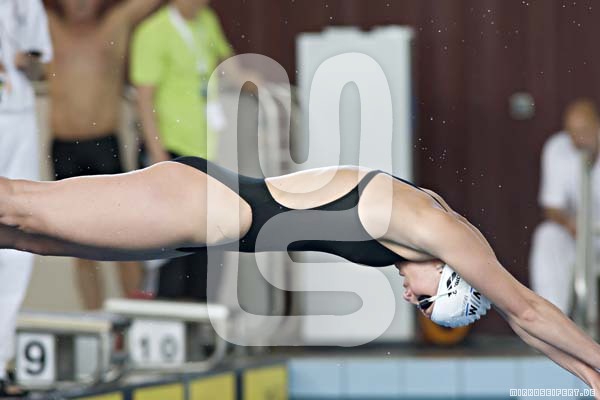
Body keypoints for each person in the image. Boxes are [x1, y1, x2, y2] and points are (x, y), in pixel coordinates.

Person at [1, 156, 600, 394]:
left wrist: (587, 376)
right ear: (449, 277)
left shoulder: (426, 235)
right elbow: (524, 309)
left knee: (31, 239)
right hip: (198, 204)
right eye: (425, 302)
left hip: (199, 223)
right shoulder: (431, 227)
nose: (408, 300)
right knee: (21, 207)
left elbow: (520, 322)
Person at [130, 0, 259, 301]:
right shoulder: (153, 32)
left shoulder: (206, 21)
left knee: (206, 241)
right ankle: (168, 311)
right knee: (172, 243)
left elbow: (228, 66)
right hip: (170, 152)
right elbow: (144, 100)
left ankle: (199, 311)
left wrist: (255, 83)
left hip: (203, 153)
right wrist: (157, 155)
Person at [45, 0, 165, 309]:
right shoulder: (49, 26)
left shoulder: (115, 25)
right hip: (64, 149)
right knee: (78, 246)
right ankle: (94, 320)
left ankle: (136, 316)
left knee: (121, 239)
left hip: (103, 147)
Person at [0, 0, 52, 395]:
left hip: (16, 114)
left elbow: (40, 64)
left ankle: (0, 363)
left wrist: (23, 62)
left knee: (19, 240)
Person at [529, 99, 600, 314]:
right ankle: (552, 317)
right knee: (547, 235)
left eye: (584, 130)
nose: (577, 138)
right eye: (572, 132)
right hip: (578, 233)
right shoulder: (557, 148)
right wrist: (569, 223)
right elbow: (552, 207)